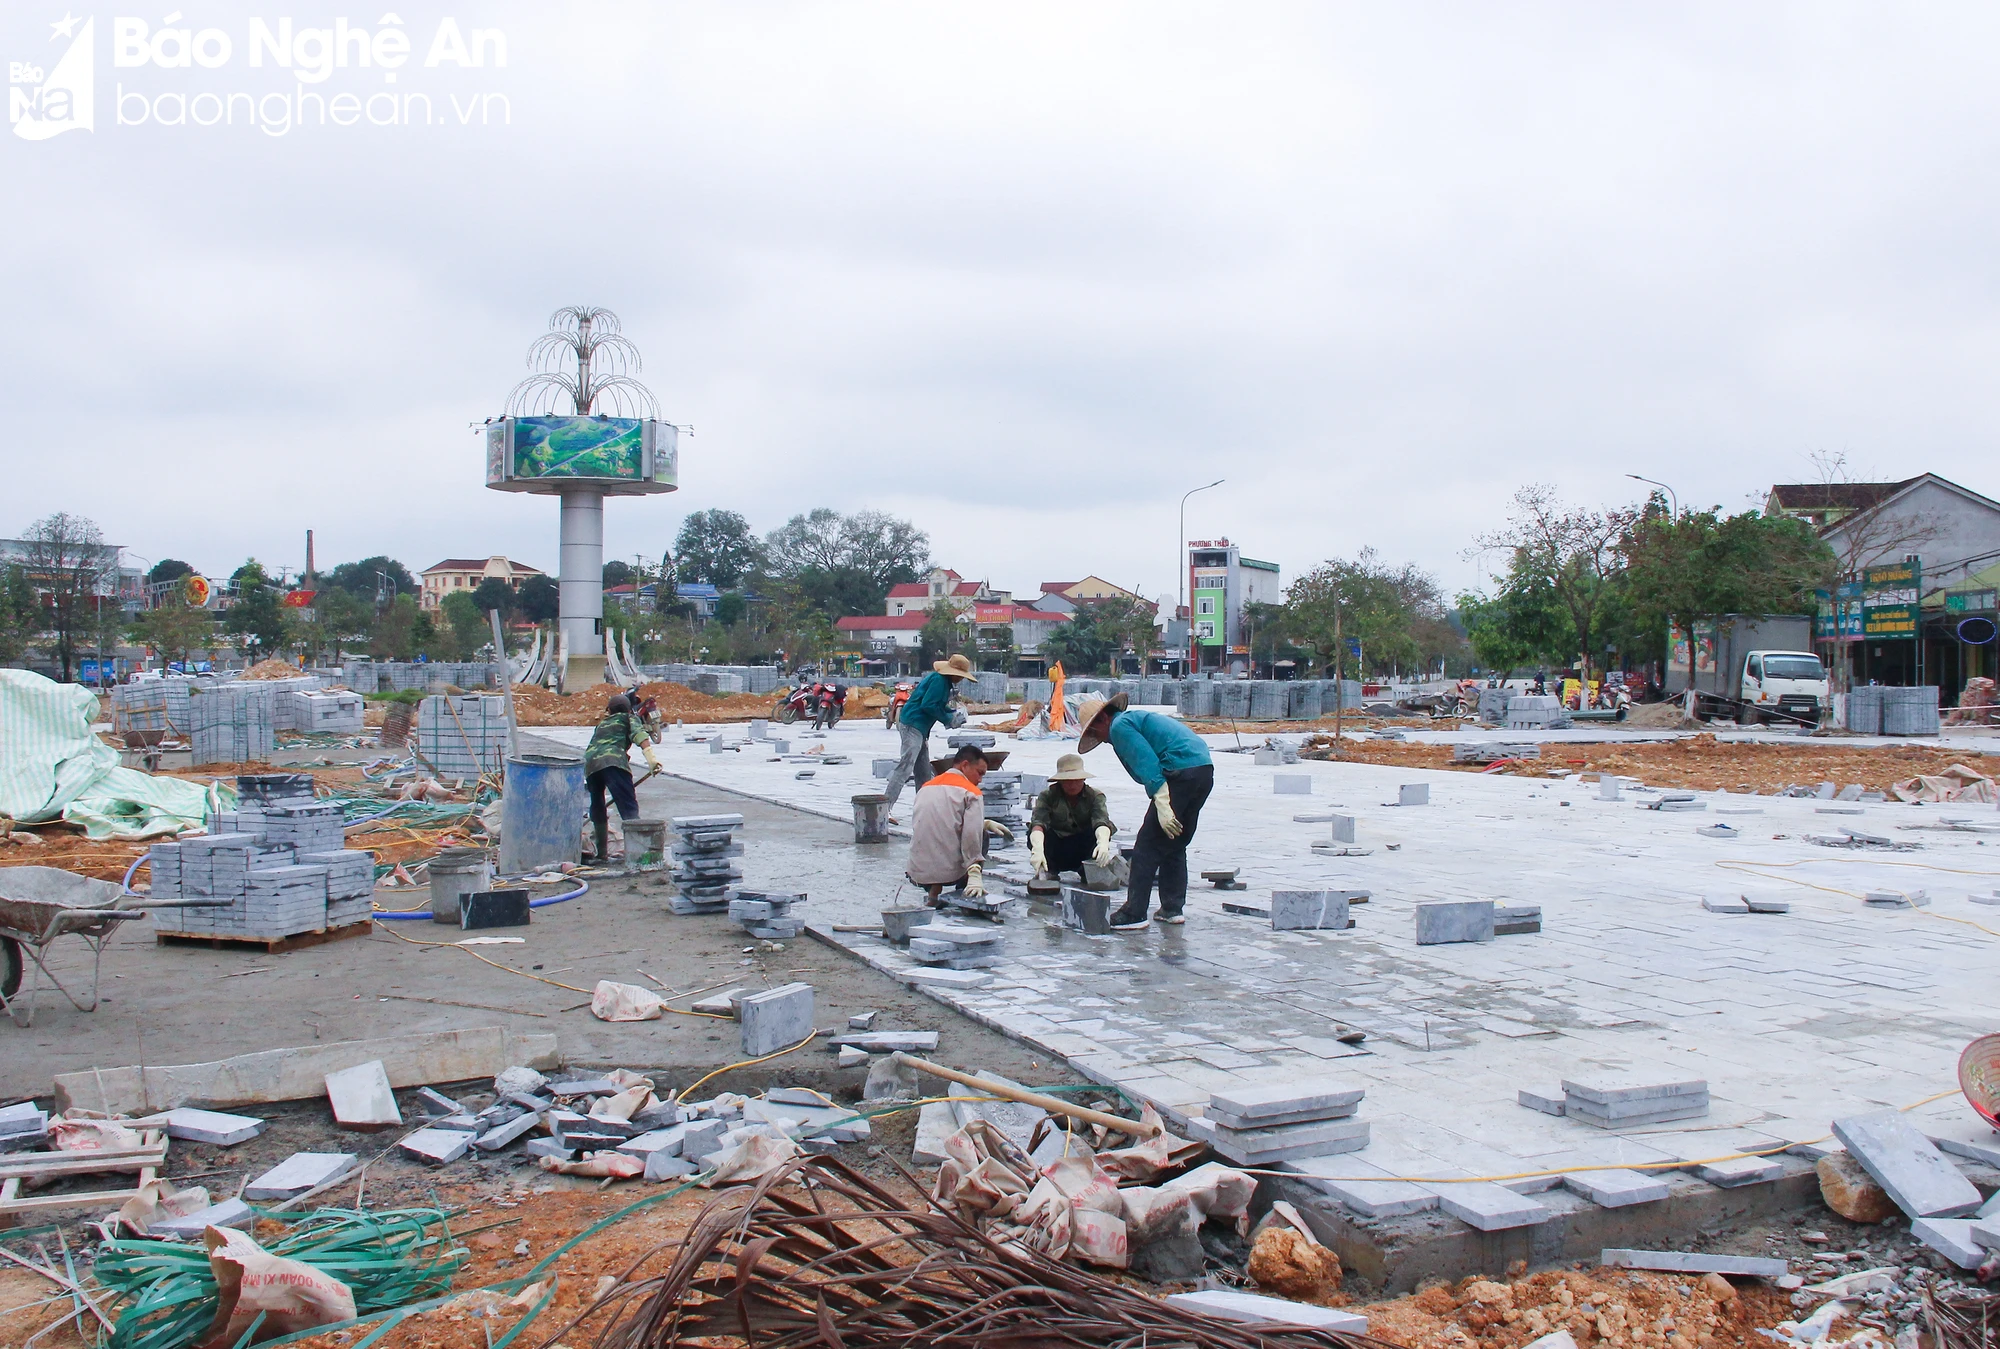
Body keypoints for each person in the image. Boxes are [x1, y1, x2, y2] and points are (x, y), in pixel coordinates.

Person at [1076, 692, 1213, 930]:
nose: (1100, 739)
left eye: (1094, 732)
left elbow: (1147, 764)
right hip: (1202, 771)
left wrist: (1163, 804)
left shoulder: (1120, 726)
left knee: (1146, 847)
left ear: (1102, 720)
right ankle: (1172, 908)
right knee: (1174, 840)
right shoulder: (1133, 719)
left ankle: (1134, 912)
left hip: (1180, 772)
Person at [881, 652, 974, 820]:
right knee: (905, 766)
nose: (960, 679)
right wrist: (948, 719)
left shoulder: (942, 682)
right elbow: (928, 705)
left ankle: (925, 812)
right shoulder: (939, 681)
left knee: (923, 772)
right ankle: (884, 808)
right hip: (912, 724)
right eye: (960, 676)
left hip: (920, 729)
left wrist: (952, 713)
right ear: (953, 672)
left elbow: (936, 704)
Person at [906, 744, 994, 902]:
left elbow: (935, 821)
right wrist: (974, 870)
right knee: (982, 835)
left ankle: (933, 893)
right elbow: (971, 834)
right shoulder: (971, 792)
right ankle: (967, 891)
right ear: (965, 765)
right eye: (979, 773)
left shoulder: (926, 787)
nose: (980, 780)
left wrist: (984, 821)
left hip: (918, 871)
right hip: (950, 872)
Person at [582, 692, 660, 864]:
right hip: (613, 762)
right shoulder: (628, 718)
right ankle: (639, 853)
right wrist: (651, 759)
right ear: (627, 709)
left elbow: (604, 744)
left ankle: (601, 854)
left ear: (609, 710)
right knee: (628, 806)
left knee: (597, 806)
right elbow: (639, 735)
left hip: (591, 764)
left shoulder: (602, 723)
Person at [1029, 752, 1116, 879]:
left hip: (1082, 848)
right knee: (1035, 833)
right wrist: (1037, 850)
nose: (1072, 785)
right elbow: (1038, 823)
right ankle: (1048, 869)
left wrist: (1103, 843)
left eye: (1076, 780)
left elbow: (1101, 821)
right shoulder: (1047, 796)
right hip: (1056, 848)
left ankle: (1088, 869)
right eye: (1067, 781)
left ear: (1083, 779)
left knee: (1099, 831)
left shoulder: (1095, 796)